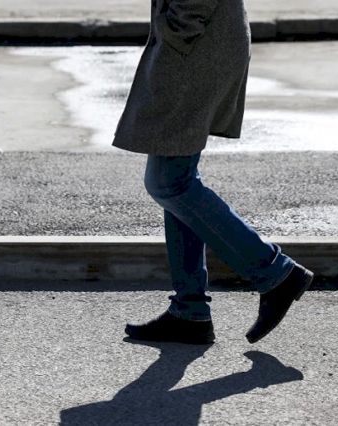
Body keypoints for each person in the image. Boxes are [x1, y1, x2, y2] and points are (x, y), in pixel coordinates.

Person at [111, 0, 314, 344]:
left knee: (169, 183)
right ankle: (189, 311)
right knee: (177, 179)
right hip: (200, 44)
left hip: (196, 47)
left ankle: (275, 272)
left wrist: (175, 29)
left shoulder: (186, 35)